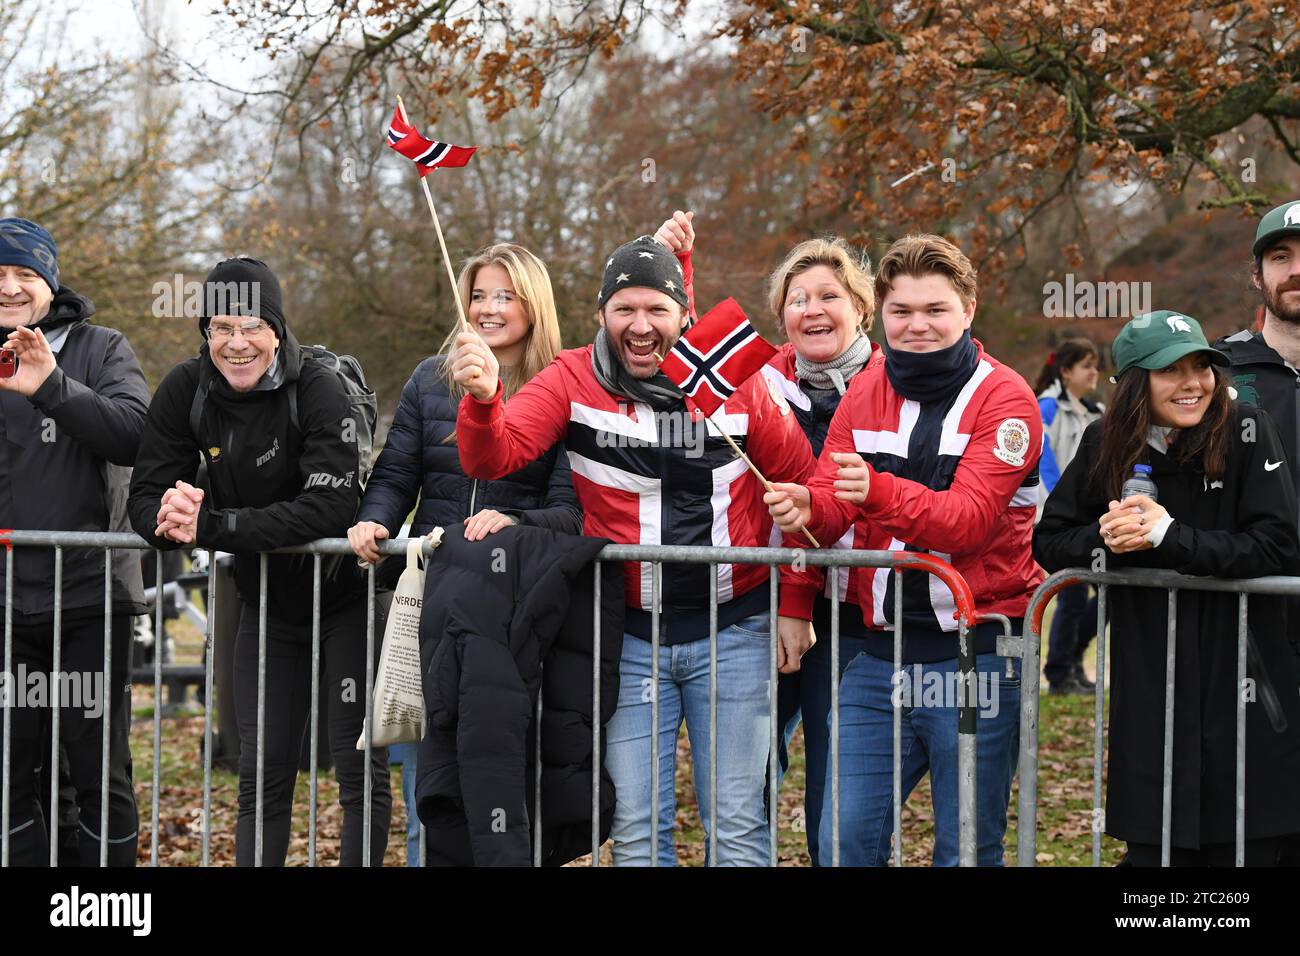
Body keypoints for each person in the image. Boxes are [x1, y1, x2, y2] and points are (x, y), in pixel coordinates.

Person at [452, 213, 815, 866]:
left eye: (657, 308)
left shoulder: (735, 382)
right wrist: (483, 400)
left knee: (736, 823)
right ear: (601, 312)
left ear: (684, 314)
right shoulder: (569, 377)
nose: (641, 324)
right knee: (640, 829)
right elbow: (493, 458)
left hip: (736, 628)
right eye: (624, 308)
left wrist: (794, 603)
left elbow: (800, 493)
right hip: (630, 636)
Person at [766, 233, 1042, 866]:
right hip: (875, 657)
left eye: (935, 310)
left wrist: (877, 491)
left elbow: (968, 523)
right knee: (843, 845)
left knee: (966, 852)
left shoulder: (1008, 399)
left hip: (978, 657)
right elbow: (833, 501)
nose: (917, 326)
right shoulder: (865, 389)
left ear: (969, 309)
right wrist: (809, 508)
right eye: (902, 311)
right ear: (881, 313)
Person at [127, 257, 390, 866]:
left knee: (357, 773)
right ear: (205, 334)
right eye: (221, 328)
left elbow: (330, 507)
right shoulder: (186, 389)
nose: (236, 343)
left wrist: (213, 526)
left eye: (250, 325)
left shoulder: (321, 387)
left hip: (348, 598)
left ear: (276, 328)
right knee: (261, 774)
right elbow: (145, 492)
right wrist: (167, 523)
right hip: (266, 606)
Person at [1034, 310, 1300, 865]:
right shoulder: (1104, 438)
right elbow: (1052, 539)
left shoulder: (1247, 429)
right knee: (1158, 846)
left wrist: (1171, 537)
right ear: (1136, 383)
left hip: (1249, 676)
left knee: (1249, 840)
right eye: (1170, 371)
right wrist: (1105, 539)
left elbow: (1279, 544)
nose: (1193, 383)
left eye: (1202, 367)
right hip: (1153, 675)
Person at [347, 242, 581, 865]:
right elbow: (397, 472)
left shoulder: (560, 383)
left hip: (516, 609)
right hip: (433, 598)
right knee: (433, 773)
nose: (489, 308)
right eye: (480, 294)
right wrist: (376, 519)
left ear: (533, 305)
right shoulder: (431, 377)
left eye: (505, 296)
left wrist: (514, 521)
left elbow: (571, 508)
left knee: (505, 770)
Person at [0, 217, 149, 866]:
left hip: (91, 597)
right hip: (6, 605)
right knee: (10, 776)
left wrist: (52, 386)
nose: (9, 287)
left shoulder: (99, 347)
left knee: (97, 773)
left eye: (24, 274)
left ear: (49, 283)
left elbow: (135, 436)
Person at [760, 237, 879, 864]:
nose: (813, 309)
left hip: (857, 616)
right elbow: (686, 350)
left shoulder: (893, 380)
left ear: (860, 305)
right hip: (768, 606)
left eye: (829, 296)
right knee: (751, 768)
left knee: (839, 781)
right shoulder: (761, 383)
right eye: (796, 299)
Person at [1215, 198, 1300, 686]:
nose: (1295, 271)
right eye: (1280, 257)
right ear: (1257, 274)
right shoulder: (1215, 372)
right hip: (1247, 625)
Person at [1033, 338, 1104, 695]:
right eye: (1086, 365)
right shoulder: (1046, 408)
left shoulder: (1097, 411)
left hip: (1096, 525)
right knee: (1073, 596)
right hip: (1062, 523)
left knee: (1108, 597)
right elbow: (1043, 464)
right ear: (1065, 370)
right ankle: (1060, 673)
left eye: (1096, 365)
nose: (1094, 372)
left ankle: (1072, 660)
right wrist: (1061, 514)